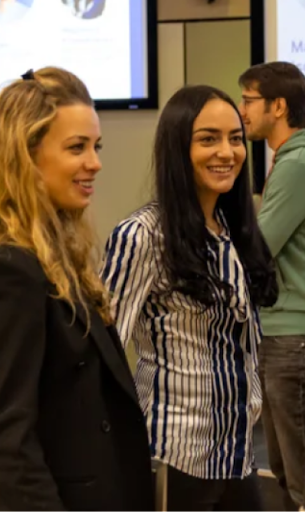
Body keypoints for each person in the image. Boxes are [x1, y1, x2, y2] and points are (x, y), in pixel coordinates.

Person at [0, 66, 154, 512]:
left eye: (95, 146)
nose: (95, 162)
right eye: (77, 148)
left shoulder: (51, 254)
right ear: (25, 156)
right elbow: (8, 446)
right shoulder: (3, 270)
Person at [100, 84, 278, 512]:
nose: (227, 152)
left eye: (235, 138)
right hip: (174, 458)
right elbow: (100, 353)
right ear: (179, 148)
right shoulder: (142, 235)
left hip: (236, 456)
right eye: (208, 139)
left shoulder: (231, 230)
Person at [239, 61, 305, 512]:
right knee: (285, 468)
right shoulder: (291, 158)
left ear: (278, 106)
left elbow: (260, 248)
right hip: (281, 329)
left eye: (248, 100)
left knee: (298, 475)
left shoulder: (297, 162)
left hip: (291, 334)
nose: (240, 110)